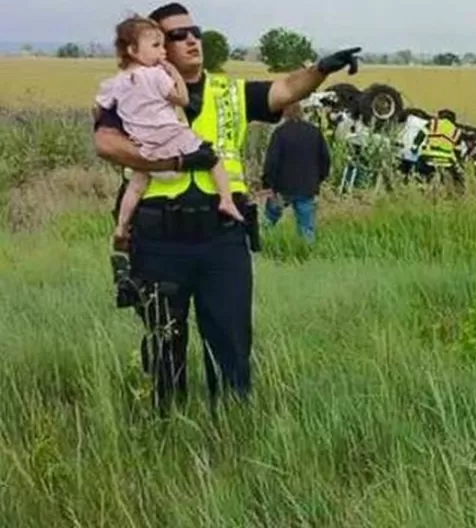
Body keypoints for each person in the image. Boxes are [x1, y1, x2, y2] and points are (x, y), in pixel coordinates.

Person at [92, 1, 361, 413]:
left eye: (194, 31)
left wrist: (321, 68)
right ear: (157, 47)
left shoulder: (229, 92)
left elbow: (286, 89)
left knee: (232, 344)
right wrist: (175, 162)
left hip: (222, 238)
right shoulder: (133, 88)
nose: (191, 40)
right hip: (160, 239)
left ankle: (231, 430)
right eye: (176, 35)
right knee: (164, 345)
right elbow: (106, 144)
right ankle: (165, 430)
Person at [96, 15, 244, 249]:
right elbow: (182, 99)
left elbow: (99, 108)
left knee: (136, 185)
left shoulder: (116, 82)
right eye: (156, 46)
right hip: (171, 138)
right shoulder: (156, 75)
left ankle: (122, 226)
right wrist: (173, 73)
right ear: (134, 50)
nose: (162, 52)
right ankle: (226, 200)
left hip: (144, 147)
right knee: (212, 157)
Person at [260, 101, 331, 242]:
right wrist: (318, 180)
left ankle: (258, 247)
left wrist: (268, 185)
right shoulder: (314, 132)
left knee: (268, 221)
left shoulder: (280, 133)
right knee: (306, 228)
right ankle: (305, 256)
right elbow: (325, 160)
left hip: (282, 188)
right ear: (301, 112)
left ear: (285, 113)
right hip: (307, 187)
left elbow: (272, 162)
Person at [415, 109, 465, 182]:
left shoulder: (433, 123)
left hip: (428, 156)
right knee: (455, 178)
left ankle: (419, 183)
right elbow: (457, 150)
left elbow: (421, 135)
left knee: (418, 170)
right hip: (446, 160)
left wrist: (414, 147)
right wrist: (458, 163)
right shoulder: (457, 131)